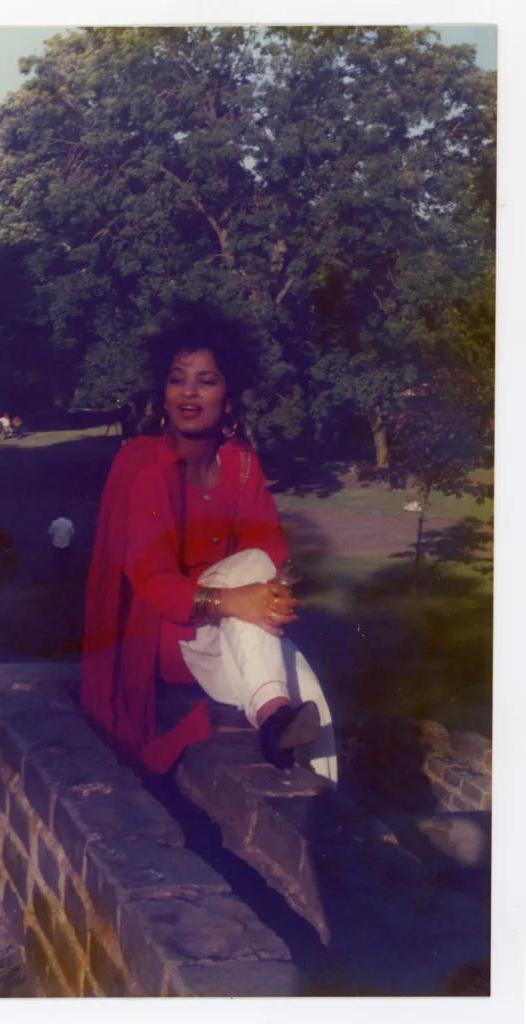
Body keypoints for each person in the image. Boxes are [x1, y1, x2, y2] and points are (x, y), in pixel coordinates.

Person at [82, 307, 338, 782]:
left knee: (315, 706)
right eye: (178, 379)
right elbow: (155, 583)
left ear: (229, 395)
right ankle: (273, 714)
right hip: (172, 638)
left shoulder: (241, 464)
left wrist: (277, 594)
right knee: (252, 569)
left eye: (207, 380)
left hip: (236, 633)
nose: (189, 393)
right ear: (164, 392)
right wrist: (236, 599)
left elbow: (273, 556)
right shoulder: (147, 469)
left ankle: (281, 732)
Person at [48, 507, 76, 582]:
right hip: (66, 544)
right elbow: (72, 533)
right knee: (65, 559)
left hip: (56, 544)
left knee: (57, 559)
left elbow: (50, 533)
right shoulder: (69, 523)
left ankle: (58, 574)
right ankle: (65, 574)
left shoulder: (54, 523)